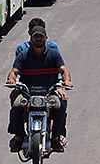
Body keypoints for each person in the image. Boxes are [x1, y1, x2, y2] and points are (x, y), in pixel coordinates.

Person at [7, 24, 73, 153]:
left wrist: (66, 81)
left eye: (41, 37)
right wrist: (12, 80)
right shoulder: (23, 55)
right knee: (16, 106)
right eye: (35, 37)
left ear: (45, 38)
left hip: (49, 92)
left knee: (60, 106)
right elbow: (14, 72)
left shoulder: (54, 54)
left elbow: (64, 70)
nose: (38, 39)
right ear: (31, 39)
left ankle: (55, 138)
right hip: (27, 93)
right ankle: (18, 137)